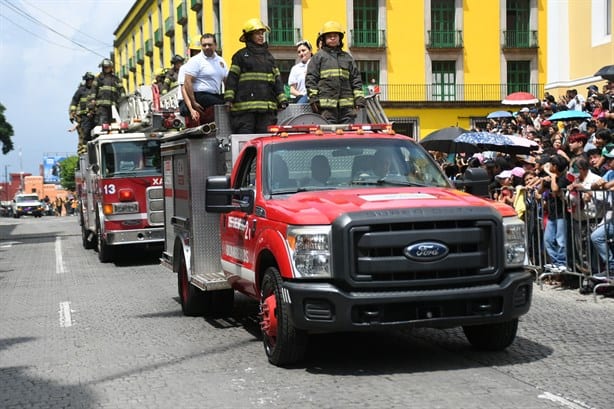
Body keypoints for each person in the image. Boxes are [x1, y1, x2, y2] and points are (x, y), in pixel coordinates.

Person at [224, 19, 287, 133]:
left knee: (265, 143)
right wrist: (229, 99)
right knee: (245, 141)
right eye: (257, 33)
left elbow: (277, 80)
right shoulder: (240, 56)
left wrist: (282, 99)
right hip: (245, 111)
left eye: (262, 33)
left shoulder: (269, 57)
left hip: (266, 111)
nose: (261, 36)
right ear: (249, 36)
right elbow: (232, 79)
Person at [306, 21, 365, 124]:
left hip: (347, 108)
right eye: (329, 36)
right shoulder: (318, 57)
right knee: (328, 136)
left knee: (347, 136)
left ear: (339, 38)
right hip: (326, 108)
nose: (332, 38)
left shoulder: (347, 58)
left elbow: (356, 79)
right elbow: (311, 79)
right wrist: (313, 99)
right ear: (324, 39)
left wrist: (359, 98)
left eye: (335, 36)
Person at [183, 33, 228, 124]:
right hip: (200, 95)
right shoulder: (196, 61)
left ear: (215, 45)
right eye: (204, 45)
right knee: (221, 103)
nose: (207, 47)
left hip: (214, 94)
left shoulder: (221, 61)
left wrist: (229, 98)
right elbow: (187, 82)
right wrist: (193, 102)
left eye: (209, 45)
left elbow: (226, 80)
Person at [538, 154, 571, 273]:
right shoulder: (550, 178)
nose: (549, 166)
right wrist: (543, 181)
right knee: (548, 239)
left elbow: (556, 190)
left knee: (560, 240)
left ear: (555, 166)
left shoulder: (564, 178)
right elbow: (540, 191)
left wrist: (552, 177)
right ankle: (556, 262)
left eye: (551, 164)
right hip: (552, 214)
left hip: (562, 214)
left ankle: (562, 263)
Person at [69, 72, 97, 154]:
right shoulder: (81, 91)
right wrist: (72, 114)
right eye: (88, 80)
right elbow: (74, 101)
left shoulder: (96, 90)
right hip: (84, 116)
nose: (89, 82)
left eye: (91, 80)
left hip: (96, 115)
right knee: (85, 134)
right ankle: (84, 151)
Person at [94, 58, 125, 125]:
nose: (107, 68)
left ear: (111, 67)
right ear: (102, 68)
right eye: (105, 67)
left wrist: (123, 98)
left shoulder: (115, 79)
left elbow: (121, 89)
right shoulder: (98, 78)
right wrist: (92, 102)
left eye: (108, 67)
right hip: (102, 106)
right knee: (103, 123)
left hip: (113, 105)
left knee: (114, 124)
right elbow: (93, 91)